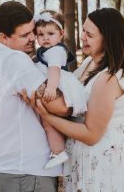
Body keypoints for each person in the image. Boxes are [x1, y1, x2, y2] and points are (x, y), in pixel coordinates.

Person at [30, 8, 124, 191]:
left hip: (101, 160)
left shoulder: (108, 78)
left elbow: (91, 134)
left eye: (90, 34)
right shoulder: (90, 62)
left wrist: (47, 117)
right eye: (83, 31)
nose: (82, 37)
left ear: (108, 39)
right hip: (82, 157)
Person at [0, 1, 70, 192]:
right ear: (3, 37)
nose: (33, 38)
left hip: (13, 168)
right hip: (25, 172)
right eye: (24, 35)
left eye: (32, 31)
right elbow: (62, 107)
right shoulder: (15, 60)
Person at [33, 10, 87, 169]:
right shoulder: (46, 50)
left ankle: (58, 150)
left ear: (61, 33)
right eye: (40, 34)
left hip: (59, 86)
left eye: (50, 33)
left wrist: (51, 87)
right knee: (47, 123)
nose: (45, 38)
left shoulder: (56, 51)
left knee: (48, 121)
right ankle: (58, 151)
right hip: (55, 86)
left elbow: (54, 70)